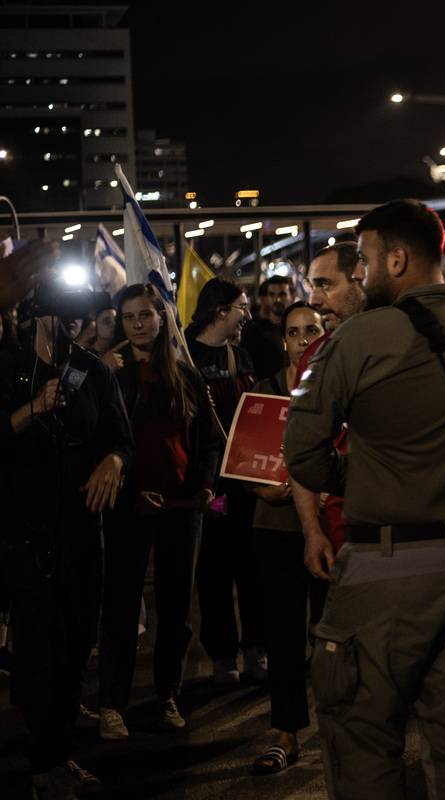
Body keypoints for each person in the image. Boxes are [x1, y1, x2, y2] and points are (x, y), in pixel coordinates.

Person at [284, 199, 445, 799]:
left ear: (396, 259)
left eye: (365, 260)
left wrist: (362, 476)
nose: (363, 274)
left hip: (384, 570)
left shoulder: (359, 338)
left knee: (364, 737)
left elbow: (304, 455)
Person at [0, 295, 134, 799]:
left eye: (79, 314)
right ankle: (44, 761)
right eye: (62, 311)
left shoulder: (92, 371)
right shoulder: (8, 364)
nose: (72, 322)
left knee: (78, 645)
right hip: (26, 537)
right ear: (36, 312)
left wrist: (115, 463)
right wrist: (33, 407)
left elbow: (121, 439)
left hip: (82, 532)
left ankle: (60, 752)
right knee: (38, 653)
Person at [97, 284, 222, 741]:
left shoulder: (187, 376)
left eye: (145, 315)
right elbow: (102, 445)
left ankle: (167, 693)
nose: (138, 324)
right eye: (128, 317)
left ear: (161, 317)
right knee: (121, 609)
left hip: (181, 508)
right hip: (127, 510)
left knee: (175, 611)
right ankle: (112, 703)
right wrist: (130, 495)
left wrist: (206, 484)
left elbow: (209, 440)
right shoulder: (110, 375)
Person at [247, 301, 327, 775]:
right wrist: (262, 487)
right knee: (283, 635)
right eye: (294, 332)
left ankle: (341, 730)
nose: (302, 339)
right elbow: (243, 461)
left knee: (333, 637)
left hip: (329, 526)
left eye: (311, 329)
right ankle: (286, 732)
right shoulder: (264, 391)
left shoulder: (341, 385)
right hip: (275, 528)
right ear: (283, 341)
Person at [185, 278, 267, 685]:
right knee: (215, 569)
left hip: (245, 483)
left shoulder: (241, 355)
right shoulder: (185, 354)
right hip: (211, 487)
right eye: (242, 307)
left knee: (252, 566)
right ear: (219, 312)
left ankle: (255, 647)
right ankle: (222, 655)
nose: (248, 316)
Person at [292, 242, 367, 586]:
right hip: (341, 537)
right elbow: (302, 451)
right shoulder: (316, 358)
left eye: (325, 284)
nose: (314, 300)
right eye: (312, 286)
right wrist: (311, 530)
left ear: (361, 278)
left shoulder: (412, 344)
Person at [241, 274, 293, 379]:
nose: (277, 300)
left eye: (282, 294)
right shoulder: (253, 331)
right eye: (272, 294)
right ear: (266, 298)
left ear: (292, 296)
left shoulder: (297, 328)